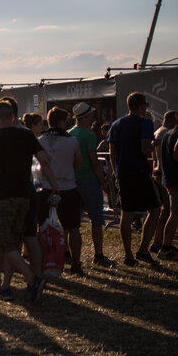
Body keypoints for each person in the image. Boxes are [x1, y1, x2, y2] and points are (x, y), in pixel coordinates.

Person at [0, 100, 57, 302]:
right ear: (13, 117)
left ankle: (32, 278)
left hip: (5, 194)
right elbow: (45, 160)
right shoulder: (26, 135)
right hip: (25, 192)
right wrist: (55, 188)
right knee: (14, 241)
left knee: (3, 241)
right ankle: (6, 287)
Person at [108, 92, 161, 265]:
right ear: (140, 106)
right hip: (140, 172)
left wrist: (116, 172)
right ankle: (143, 249)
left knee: (127, 213)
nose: (146, 108)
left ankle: (128, 255)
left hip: (123, 173)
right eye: (145, 105)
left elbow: (112, 152)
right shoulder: (145, 123)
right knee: (154, 209)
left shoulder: (116, 124)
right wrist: (155, 144)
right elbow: (145, 149)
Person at [38, 107, 84, 274]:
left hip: (46, 187)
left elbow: (38, 164)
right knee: (73, 227)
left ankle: (45, 261)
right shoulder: (72, 141)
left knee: (43, 227)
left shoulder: (41, 139)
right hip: (68, 187)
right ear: (62, 122)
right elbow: (78, 161)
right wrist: (70, 172)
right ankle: (76, 263)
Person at [69, 102, 114, 267]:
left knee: (73, 221)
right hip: (88, 180)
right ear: (86, 117)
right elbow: (94, 162)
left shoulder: (69, 134)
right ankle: (98, 254)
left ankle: (70, 254)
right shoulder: (88, 136)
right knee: (96, 219)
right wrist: (103, 182)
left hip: (73, 181)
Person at [151, 111, 178, 258]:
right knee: (168, 211)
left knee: (165, 210)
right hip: (163, 173)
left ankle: (159, 241)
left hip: (157, 171)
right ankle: (159, 242)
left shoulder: (158, 132)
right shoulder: (167, 133)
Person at [157, 112, 178, 264]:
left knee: (175, 214)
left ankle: (165, 247)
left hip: (170, 178)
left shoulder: (168, 133)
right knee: (174, 214)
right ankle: (165, 248)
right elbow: (177, 155)